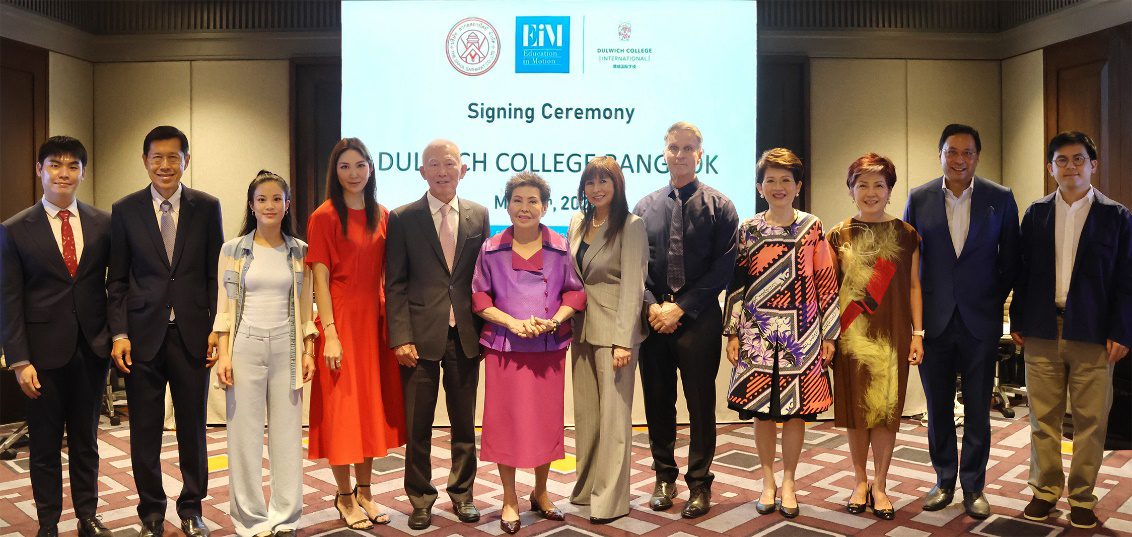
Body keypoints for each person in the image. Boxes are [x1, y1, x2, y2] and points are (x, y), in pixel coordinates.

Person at [1010, 131, 1132, 529]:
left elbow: (1127, 279)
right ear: (1050, 168)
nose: (1070, 167)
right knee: (1041, 419)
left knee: (1090, 420)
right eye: (1061, 160)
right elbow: (1022, 273)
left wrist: (1123, 330)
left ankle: (1082, 496)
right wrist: (1020, 321)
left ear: (1093, 165)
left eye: (1078, 159)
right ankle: (1044, 491)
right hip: (1043, 329)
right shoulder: (1036, 213)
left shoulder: (1116, 216)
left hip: (1093, 331)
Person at [108, 126, 223, 537]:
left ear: (186, 161)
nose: (165, 165)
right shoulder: (124, 211)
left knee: (193, 427)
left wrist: (216, 329)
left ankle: (191, 508)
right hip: (142, 337)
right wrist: (119, 333)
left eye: (174, 157)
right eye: (157, 157)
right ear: (145, 161)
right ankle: (151, 512)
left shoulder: (208, 207)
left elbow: (215, 275)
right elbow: (116, 280)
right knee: (145, 428)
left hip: (193, 334)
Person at [903, 123, 1019, 519]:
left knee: (977, 408)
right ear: (940, 155)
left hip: (980, 321)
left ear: (977, 157)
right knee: (937, 407)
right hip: (934, 321)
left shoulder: (999, 198)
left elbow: (1011, 260)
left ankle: (973, 485)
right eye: (952, 152)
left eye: (967, 153)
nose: (959, 160)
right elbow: (909, 262)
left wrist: (989, 299)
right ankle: (943, 480)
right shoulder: (918, 198)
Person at [0, 136, 113, 537]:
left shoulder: (103, 223)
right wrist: (19, 360)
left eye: (71, 166)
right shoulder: (14, 229)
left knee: (86, 441)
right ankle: (48, 522)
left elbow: (113, 287)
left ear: (83, 172)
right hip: (41, 356)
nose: (63, 173)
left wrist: (114, 337)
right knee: (45, 446)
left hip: (91, 348)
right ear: (39, 170)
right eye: (54, 165)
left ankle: (87, 516)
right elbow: (9, 299)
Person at [723, 148, 839, 519]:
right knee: (761, 412)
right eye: (770, 180)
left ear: (798, 186)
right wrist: (733, 332)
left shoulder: (811, 227)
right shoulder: (749, 229)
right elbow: (738, 283)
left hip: (802, 334)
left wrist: (829, 335)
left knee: (795, 413)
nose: (778, 186)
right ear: (759, 187)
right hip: (757, 333)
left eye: (785, 180)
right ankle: (768, 480)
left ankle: (789, 480)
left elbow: (825, 282)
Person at [633, 121, 737, 519]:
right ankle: (663, 477)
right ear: (664, 151)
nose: (680, 154)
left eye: (688, 148)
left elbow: (724, 269)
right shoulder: (644, 207)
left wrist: (682, 306)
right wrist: (653, 305)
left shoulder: (721, 206)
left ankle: (698, 484)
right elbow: (636, 265)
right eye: (673, 147)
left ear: (700, 154)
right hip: (654, 319)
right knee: (659, 402)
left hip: (699, 320)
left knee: (700, 405)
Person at [471, 172, 585, 534]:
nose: (525, 208)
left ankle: (541, 492)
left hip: (548, 348)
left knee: (544, 423)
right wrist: (510, 322)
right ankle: (509, 498)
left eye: (532, 201)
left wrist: (554, 321)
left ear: (545, 206)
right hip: (504, 348)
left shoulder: (561, 246)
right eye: (517, 200)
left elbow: (574, 293)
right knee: (505, 425)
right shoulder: (490, 248)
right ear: (507, 205)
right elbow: (479, 298)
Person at [385, 140, 489, 530]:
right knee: (418, 426)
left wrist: (485, 330)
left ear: (463, 169)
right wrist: (400, 337)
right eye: (434, 164)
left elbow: (483, 280)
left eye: (450, 163)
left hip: (464, 336)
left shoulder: (479, 215)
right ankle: (421, 499)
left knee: (464, 424)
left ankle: (463, 495)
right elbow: (394, 283)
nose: (443, 170)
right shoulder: (403, 217)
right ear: (422, 171)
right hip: (418, 339)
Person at [305, 138, 406, 530]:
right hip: (341, 320)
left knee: (370, 412)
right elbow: (320, 278)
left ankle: (366, 491)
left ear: (370, 169)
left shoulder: (382, 215)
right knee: (343, 412)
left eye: (360, 165)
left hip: (375, 322)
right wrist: (329, 332)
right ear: (335, 172)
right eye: (345, 167)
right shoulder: (325, 216)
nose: (353, 173)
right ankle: (344, 495)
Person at [212, 171, 317, 537]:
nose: (269, 205)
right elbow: (224, 307)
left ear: (287, 205)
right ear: (251, 205)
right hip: (245, 345)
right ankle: (250, 519)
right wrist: (223, 354)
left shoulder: (300, 250)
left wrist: (309, 349)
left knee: (288, 434)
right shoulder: (233, 249)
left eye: (277, 199)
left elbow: (307, 307)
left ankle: (286, 516)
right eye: (262, 199)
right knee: (244, 434)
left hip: (287, 346)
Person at [827, 153, 923, 520]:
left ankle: (881, 484)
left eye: (878, 185)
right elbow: (830, 289)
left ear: (889, 190)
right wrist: (829, 337)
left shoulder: (907, 234)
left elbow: (914, 286)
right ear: (851, 189)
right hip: (851, 334)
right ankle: (859, 480)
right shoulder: (838, 234)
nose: (870, 192)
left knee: (885, 413)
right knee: (856, 412)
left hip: (893, 334)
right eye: (862, 184)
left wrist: (918, 333)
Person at [566, 157, 648, 524]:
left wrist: (623, 341)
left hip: (614, 334)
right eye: (591, 182)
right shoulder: (578, 222)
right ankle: (585, 490)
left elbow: (634, 287)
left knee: (615, 419)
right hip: (579, 330)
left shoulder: (631, 226)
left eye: (604, 181)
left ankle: (611, 500)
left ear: (617, 185)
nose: (597, 188)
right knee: (587, 418)